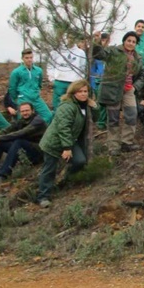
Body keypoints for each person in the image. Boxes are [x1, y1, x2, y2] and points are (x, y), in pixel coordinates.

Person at [36, 79, 95, 208]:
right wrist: (67, 148)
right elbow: (64, 127)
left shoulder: (84, 105)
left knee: (79, 161)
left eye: (85, 91)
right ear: (73, 93)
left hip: (69, 140)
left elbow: (94, 117)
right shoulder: (67, 106)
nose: (83, 94)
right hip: (54, 142)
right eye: (80, 91)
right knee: (49, 169)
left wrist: (94, 105)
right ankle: (43, 196)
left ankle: (64, 180)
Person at [0, 102, 47, 187]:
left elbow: (21, 133)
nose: (25, 113)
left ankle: (3, 175)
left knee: (18, 141)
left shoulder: (38, 121)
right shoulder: (21, 121)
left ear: (32, 111)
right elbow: (6, 130)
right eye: (22, 111)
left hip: (38, 153)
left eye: (27, 110)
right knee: (0, 144)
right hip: (24, 150)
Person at [93, 31, 144, 155]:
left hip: (129, 90)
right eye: (129, 40)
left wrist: (134, 87)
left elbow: (142, 75)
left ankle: (127, 142)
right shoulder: (113, 51)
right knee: (113, 118)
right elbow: (99, 54)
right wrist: (97, 42)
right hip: (113, 89)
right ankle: (113, 146)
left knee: (132, 114)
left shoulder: (138, 57)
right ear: (124, 41)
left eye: (133, 42)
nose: (131, 43)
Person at [9, 49, 52, 124]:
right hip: (23, 98)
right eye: (27, 58)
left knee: (48, 116)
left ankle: (40, 132)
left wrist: (36, 92)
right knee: (22, 120)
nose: (29, 60)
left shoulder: (38, 70)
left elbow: (39, 84)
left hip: (36, 98)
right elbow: (12, 88)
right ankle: (24, 134)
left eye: (31, 57)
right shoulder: (16, 72)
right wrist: (17, 99)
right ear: (22, 58)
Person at [47, 39, 87, 112]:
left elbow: (82, 69)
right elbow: (50, 66)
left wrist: (79, 82)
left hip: (74, 83)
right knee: (58, 105)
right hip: (59, 82)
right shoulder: (56, 51)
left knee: (74, 105)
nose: (70, 39)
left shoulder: (80, 53)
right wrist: (52, 79)